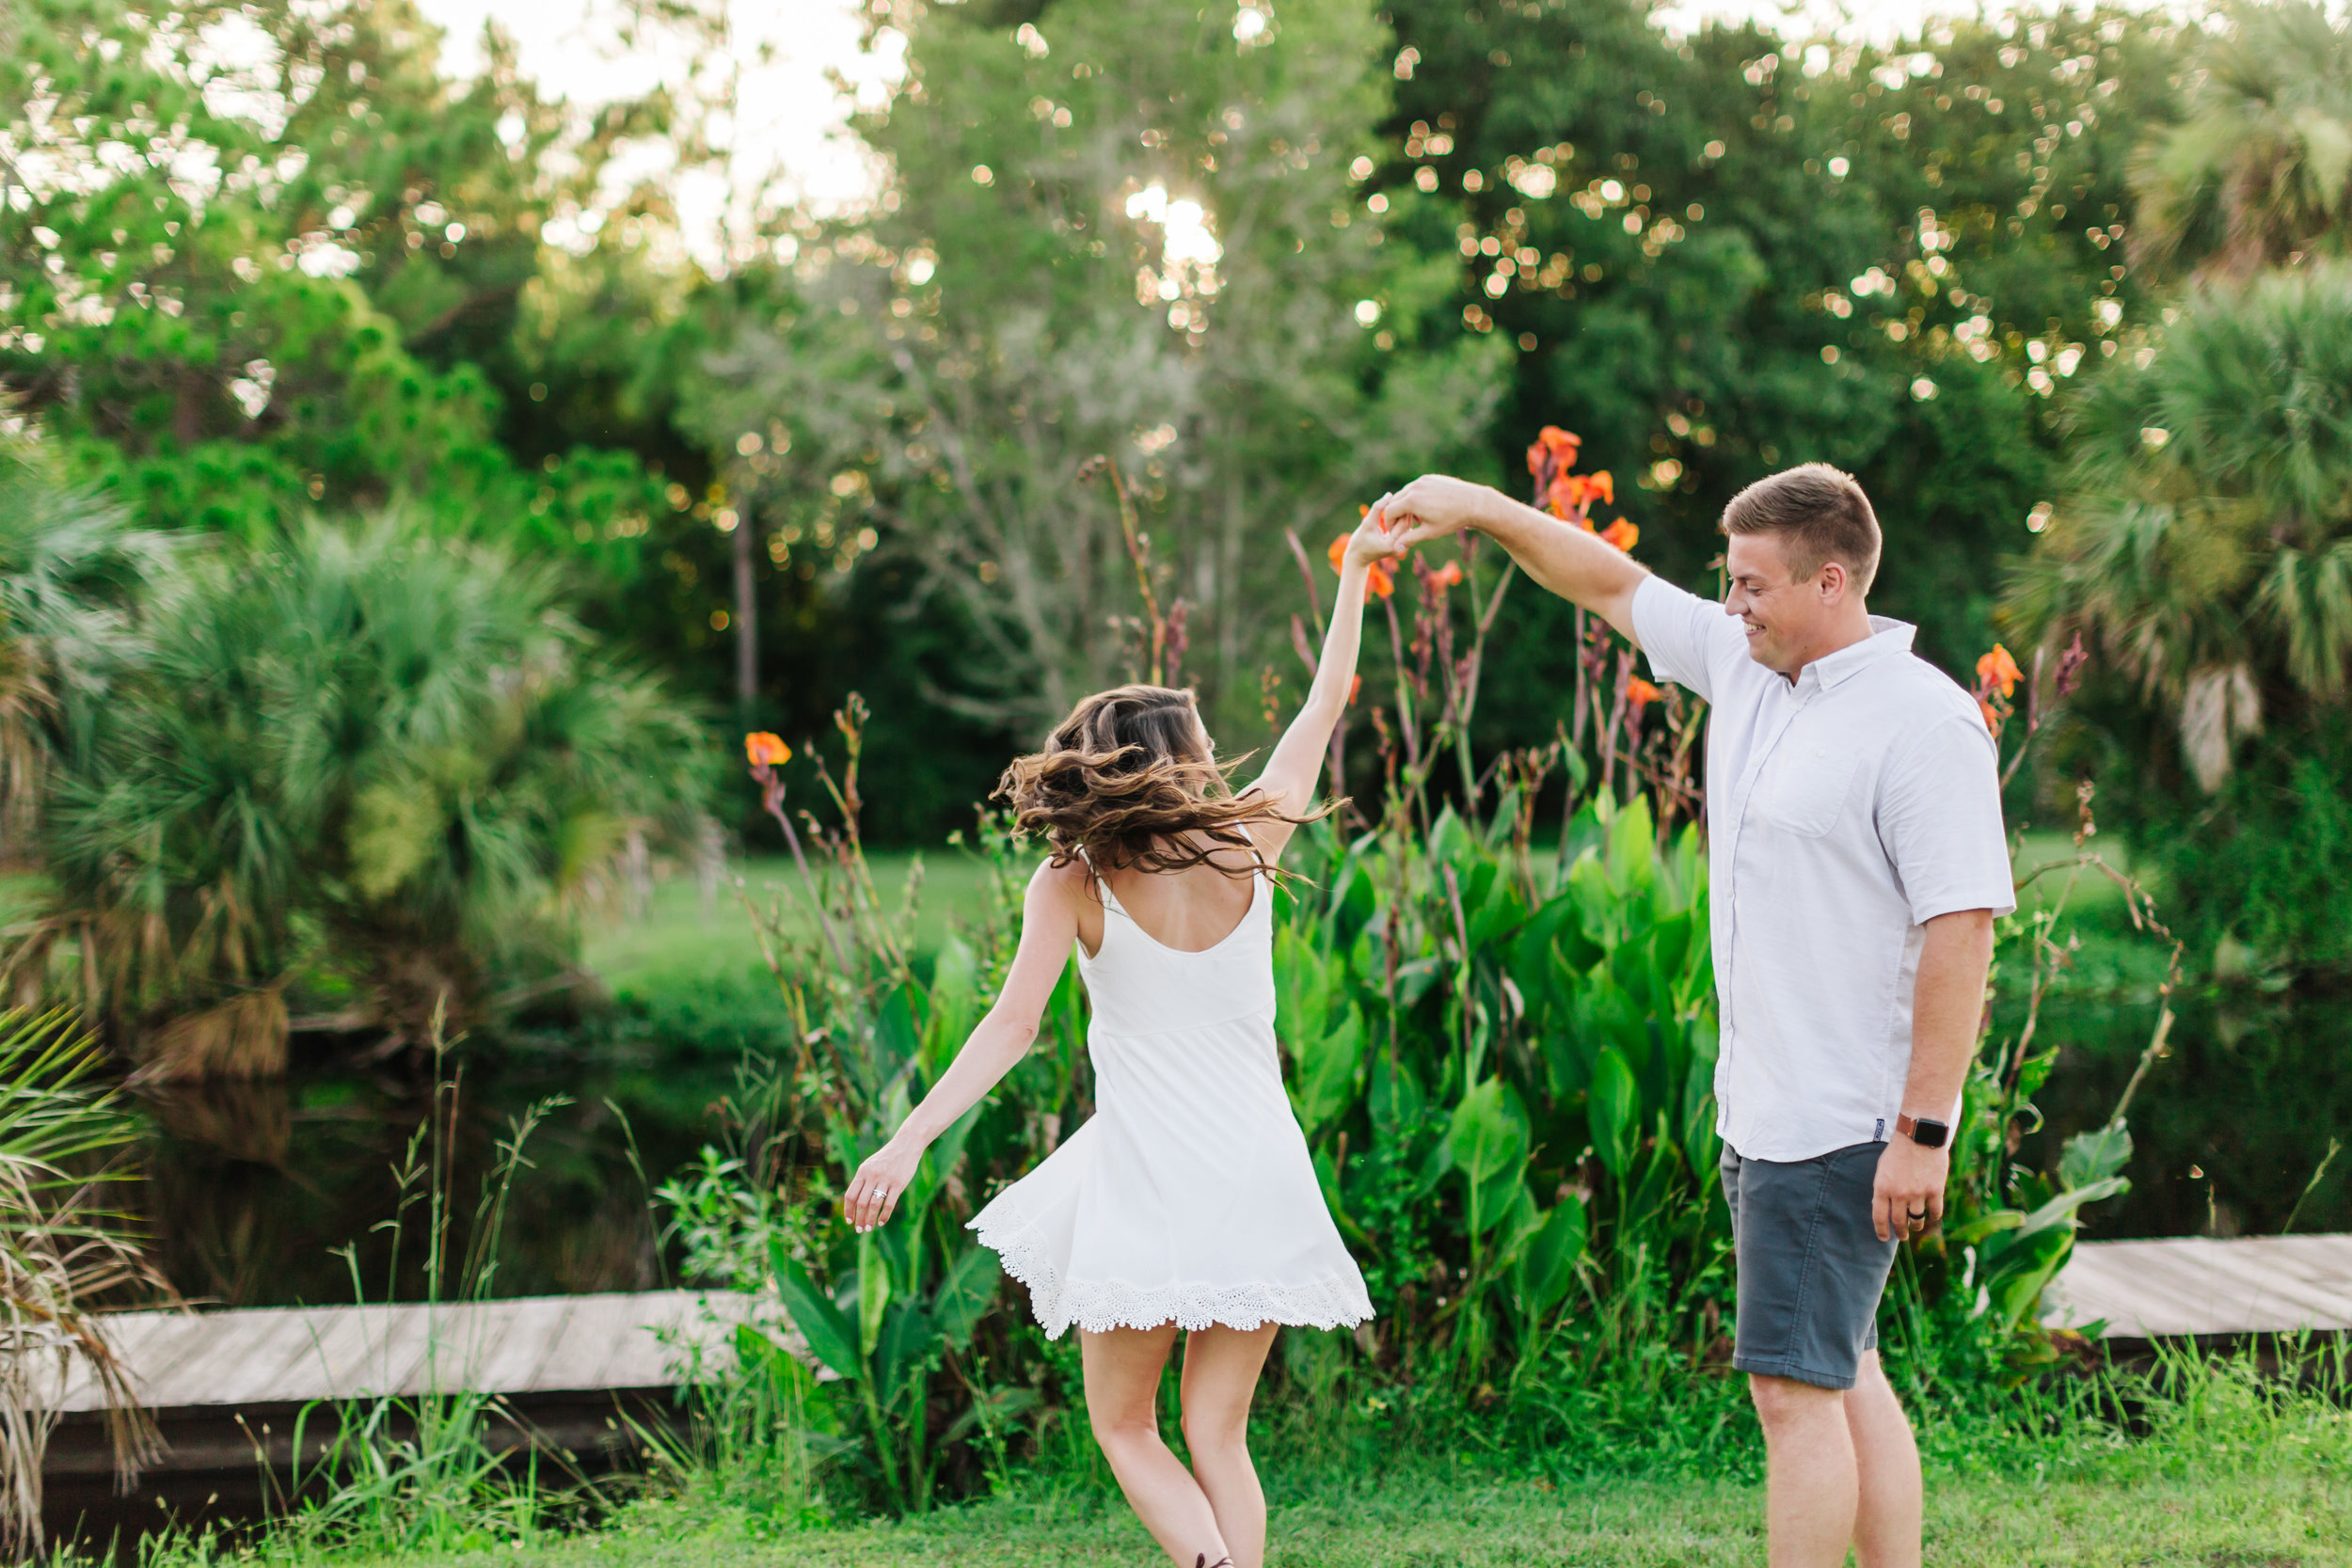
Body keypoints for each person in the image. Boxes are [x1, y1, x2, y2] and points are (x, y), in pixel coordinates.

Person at [1375, 463, 2012, 1568]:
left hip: (1841, 1117)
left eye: (1752, 584)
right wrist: (1477, 505)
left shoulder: (1924, 723)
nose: (1731, 604)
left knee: (1791, 1391)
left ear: (1829, 579)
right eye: (1727, 582)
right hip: (1761, 1106)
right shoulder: (1749, 665)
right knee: (1844, 1361)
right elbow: (1608, 583)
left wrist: (1923, 1130)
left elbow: (1963, 931)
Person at [840, 517, 1396, 1568]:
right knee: (1219, 1434)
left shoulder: (1076, 878)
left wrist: (908, 1138)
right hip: (1262, 1168)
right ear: (1180, 760)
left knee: (1125, 1426)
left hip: (1151, 1178)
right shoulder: (1251, 838)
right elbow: (1326, 700)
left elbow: (1011, 1027)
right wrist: (1354, 574)